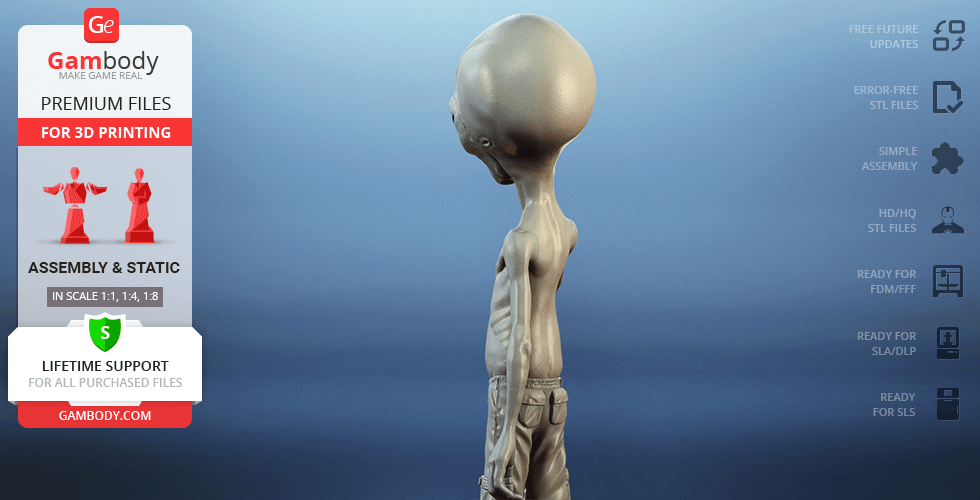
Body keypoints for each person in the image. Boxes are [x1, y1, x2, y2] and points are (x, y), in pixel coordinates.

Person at [450, 14, 596, 500]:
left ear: (494, 145)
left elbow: (519, 342)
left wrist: (506, 435)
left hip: (516, 395)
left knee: (501, 489)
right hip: (555, 396)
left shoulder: (521, 242)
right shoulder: (565, 231)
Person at [42, 167, 107, 244]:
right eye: (73, 173)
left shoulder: (85, 184)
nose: (75, 174)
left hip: (78, 209)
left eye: (76, 172)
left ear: (78, 173)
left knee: (77, 228)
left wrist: (106, 188)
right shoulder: (64, 184)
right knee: (71, 226)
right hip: (71, 209)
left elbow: (96, 190)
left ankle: (78, 235)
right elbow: (53, 190)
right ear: (70, 173)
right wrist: (43, 188)